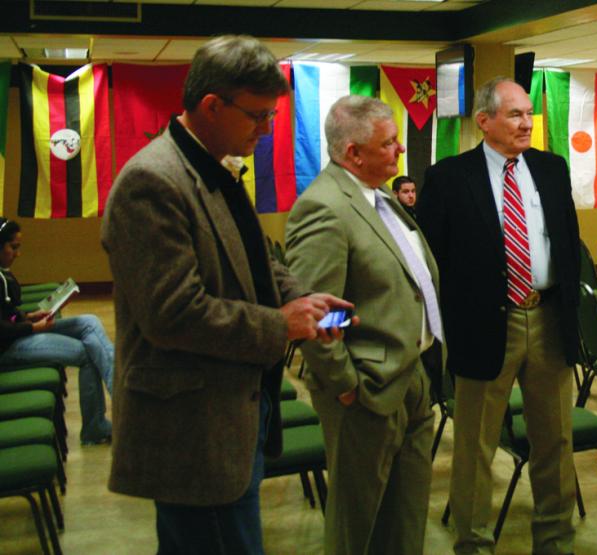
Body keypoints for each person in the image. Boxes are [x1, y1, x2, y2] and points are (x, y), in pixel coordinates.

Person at [101, 35, 352, 555]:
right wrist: (281, 324)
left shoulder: (212, 166)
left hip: (232, 410)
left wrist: (306, 299)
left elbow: (256, 262)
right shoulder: (152, 180)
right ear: (212, 106)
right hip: (192, 425)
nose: (267, 129)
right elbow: (173, 314)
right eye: (258, 116)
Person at [418, 77, 581, 555]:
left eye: (529, 113)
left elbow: (567, 243)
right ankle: (473, 542)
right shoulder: (449, 177)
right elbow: (430, 260)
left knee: (555, 442)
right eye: (514, 114)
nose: (527, 122)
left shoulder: (552, 169)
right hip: (485, 326)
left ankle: (554, 540)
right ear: (484, 121)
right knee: (476, 449)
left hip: (548, 320)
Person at [285, 95, 443, 555]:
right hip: (366, 389)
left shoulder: (381, 198)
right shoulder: (325, 208)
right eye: (390, 144)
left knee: (406, 520)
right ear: (353, 152)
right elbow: (318, 311)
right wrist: (345, 383)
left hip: (412, 374)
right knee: (359, 526)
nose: (399, 152)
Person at [0, 218, 114, 445]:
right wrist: (33, 327)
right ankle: (96, 426)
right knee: (86, 353)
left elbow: (8, 313)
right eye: (13, 247)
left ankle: (117, 388)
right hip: (8, 347)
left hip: (18, 332)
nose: (17, 254)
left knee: (88, 322)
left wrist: (28, 316)